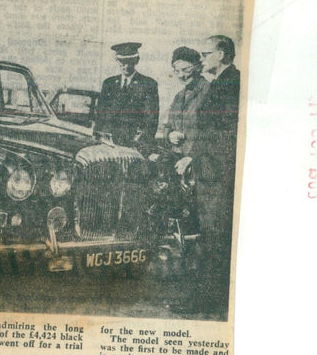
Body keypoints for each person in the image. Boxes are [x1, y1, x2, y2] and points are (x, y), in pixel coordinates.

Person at [174, 35, 240, 318]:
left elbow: (222, 134)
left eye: (207, 53)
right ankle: (208, 299)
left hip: (216, 172)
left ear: (222, 54)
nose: (202, 59)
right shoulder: (224, 82)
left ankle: (205, 302)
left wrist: (193, 156)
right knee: (212, 238)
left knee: (214, 238)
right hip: (212, 170)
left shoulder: (229, 83)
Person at [94, 42, 159, 148]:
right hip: (108, 142)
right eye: (122, 62)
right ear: (117, 60)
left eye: (130, 62)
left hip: (134, 144)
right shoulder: (108, 83)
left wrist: (142, 143)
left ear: (137, 60)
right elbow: (100, 114)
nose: (126, 66)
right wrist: (98, 137)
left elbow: (151, 119)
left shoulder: (148, 84)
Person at [162, 46, 210, 157]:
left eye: (185, 70)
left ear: (198, 67)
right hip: (176, 156)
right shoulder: (178, 96)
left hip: (197, 159)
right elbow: (168, 125)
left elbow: (210, 131)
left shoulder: (208, 91)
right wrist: (169, 136)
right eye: (177, 71)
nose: (181, 75)